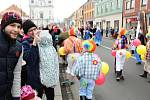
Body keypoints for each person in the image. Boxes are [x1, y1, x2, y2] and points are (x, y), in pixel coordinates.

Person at [22, 20, 59, 100]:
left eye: (34, 29)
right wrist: (35, 43)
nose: (33, 32)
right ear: (26, 33)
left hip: (47, 77)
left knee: (51, 97)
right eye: (30, 31)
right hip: (35, 79)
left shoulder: (42, 39)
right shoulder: (25, 44)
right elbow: (30, 60)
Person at [0, 12, 23, 100]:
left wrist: (16, 96)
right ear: (4, 26)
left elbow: (17, 74)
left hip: (7, 94)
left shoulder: (19, 47)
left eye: (18, 27)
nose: (16, 29)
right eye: (12, 25)